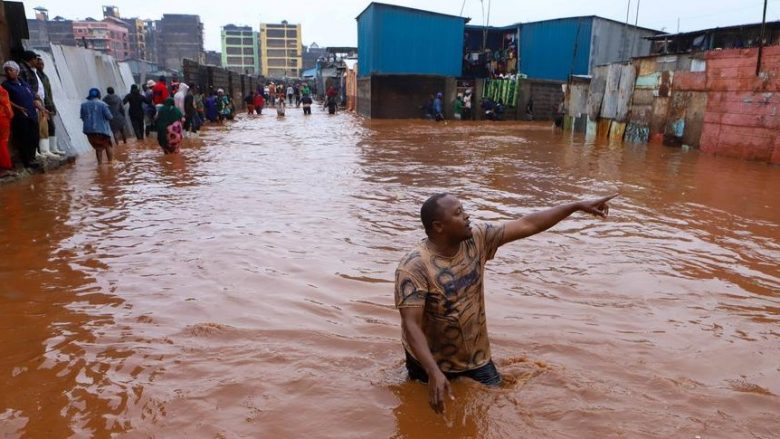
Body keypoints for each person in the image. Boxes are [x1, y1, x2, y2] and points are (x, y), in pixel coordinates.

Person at [395, 193, 617, 414]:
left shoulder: (477, 239)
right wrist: (433, 372)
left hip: (476, 359)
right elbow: (411, 325)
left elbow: (528, 224)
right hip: (427, 363)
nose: (467, 216)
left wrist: (576, 205)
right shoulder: (414, 267)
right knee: (419, 414)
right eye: (458, 213)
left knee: (492, 411)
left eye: (463, 210)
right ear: (439, 226)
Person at [2, 61, 41, 169]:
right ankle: (27, 162)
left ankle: (33, 158)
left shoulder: (23, 83)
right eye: (6, 70)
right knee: (24, 138)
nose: (8, 72)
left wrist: (40, 106)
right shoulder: (6, 85)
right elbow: (6, 100)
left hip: (31, 113)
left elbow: (32, 96)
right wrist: (18, 107)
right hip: (19, 116)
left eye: (11, 70)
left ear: (17, 71)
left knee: (34, 137)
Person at [34, 55, 65, 156]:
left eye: (42, 64)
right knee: (43, 128)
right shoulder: (36, 75)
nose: (41, 65)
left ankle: (52, 148)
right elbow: (43, 93)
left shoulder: (44, 76)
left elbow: (49, 93)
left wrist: (52, 106)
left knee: (51, 127)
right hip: (42, 104)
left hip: (48, 104)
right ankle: (44, 150)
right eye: (39, 63)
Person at [80, 88, 114, 164]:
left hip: (89, 131)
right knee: (108, 145)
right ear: (99, 95)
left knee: (98, 148)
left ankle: (100, 164)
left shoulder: (83, 105)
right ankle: (110, 163)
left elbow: (82, 117)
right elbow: (109, 117)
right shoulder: (103, 104)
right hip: (102, 131)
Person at [0, 79, 14, 172]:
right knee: (3, 141)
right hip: (2, 117)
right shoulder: (1, 90)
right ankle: (6, 165)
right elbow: (6, 104)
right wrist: (10, 115)